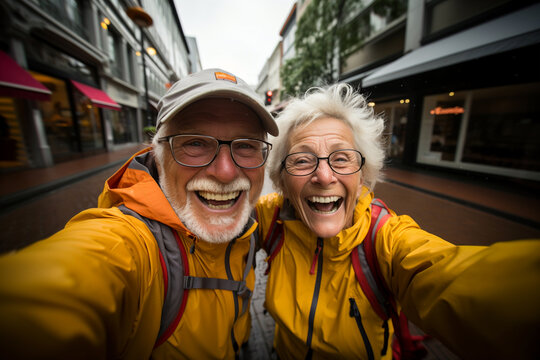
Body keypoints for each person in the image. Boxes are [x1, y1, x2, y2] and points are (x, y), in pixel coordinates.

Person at [0, 68, 278, 359]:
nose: (225, 172)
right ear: (158, 153)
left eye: (246, 145)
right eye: (195, 143)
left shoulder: (254, 218)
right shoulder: (130, 244)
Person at [255, 83, 540, 359]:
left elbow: (450, 277)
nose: (325, 176)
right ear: (281, 178)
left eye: (341, 159)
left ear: (362, 174)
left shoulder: (387, 238)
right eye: (302, 161)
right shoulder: (272, 219)